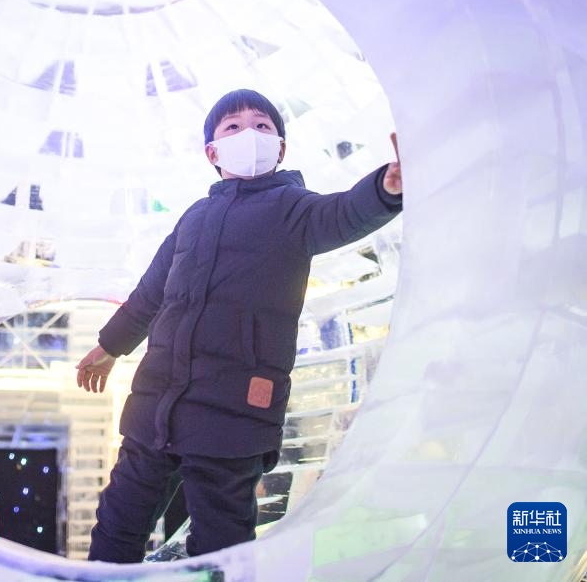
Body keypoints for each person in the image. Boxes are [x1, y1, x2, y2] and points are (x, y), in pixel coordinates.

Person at [76, 89, 403, 562]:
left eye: (262, 126)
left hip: (233, 417)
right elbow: (150, 294)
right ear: (213, 152)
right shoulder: (193, 219)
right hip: (154, 406)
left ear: (280, 148)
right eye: (233, 127)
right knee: (116, 530)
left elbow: (343, 212)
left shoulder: (294, 209)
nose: (249, 133)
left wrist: (385, 189)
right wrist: (109, 347)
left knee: (221, 547)